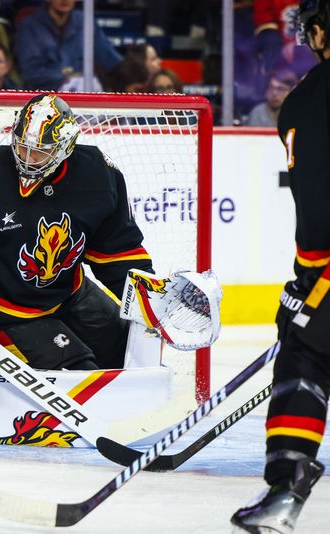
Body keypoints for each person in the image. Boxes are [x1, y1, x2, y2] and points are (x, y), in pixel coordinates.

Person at [0, 94, 153, 371]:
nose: (28, 160)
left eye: (40, 151)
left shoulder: (97, 174)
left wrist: (150, 300)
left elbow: (117, 249)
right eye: (22, 148)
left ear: (66, 146)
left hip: (70, 294)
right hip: (7, 311)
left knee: (133, 349)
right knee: (79, 368)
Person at [230, 2, 330, 531]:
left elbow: (318, 203)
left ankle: (285, 491)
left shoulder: (308, 101)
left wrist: (308, 279)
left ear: (318, 31)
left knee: (305, 354)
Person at [14, 0, 122, 91]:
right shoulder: (29, 27)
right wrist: (67, 78)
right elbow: (31, 73)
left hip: (82, 91)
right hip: (44, 96)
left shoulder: (85, 22)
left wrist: (132, 75)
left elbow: (111, 59)